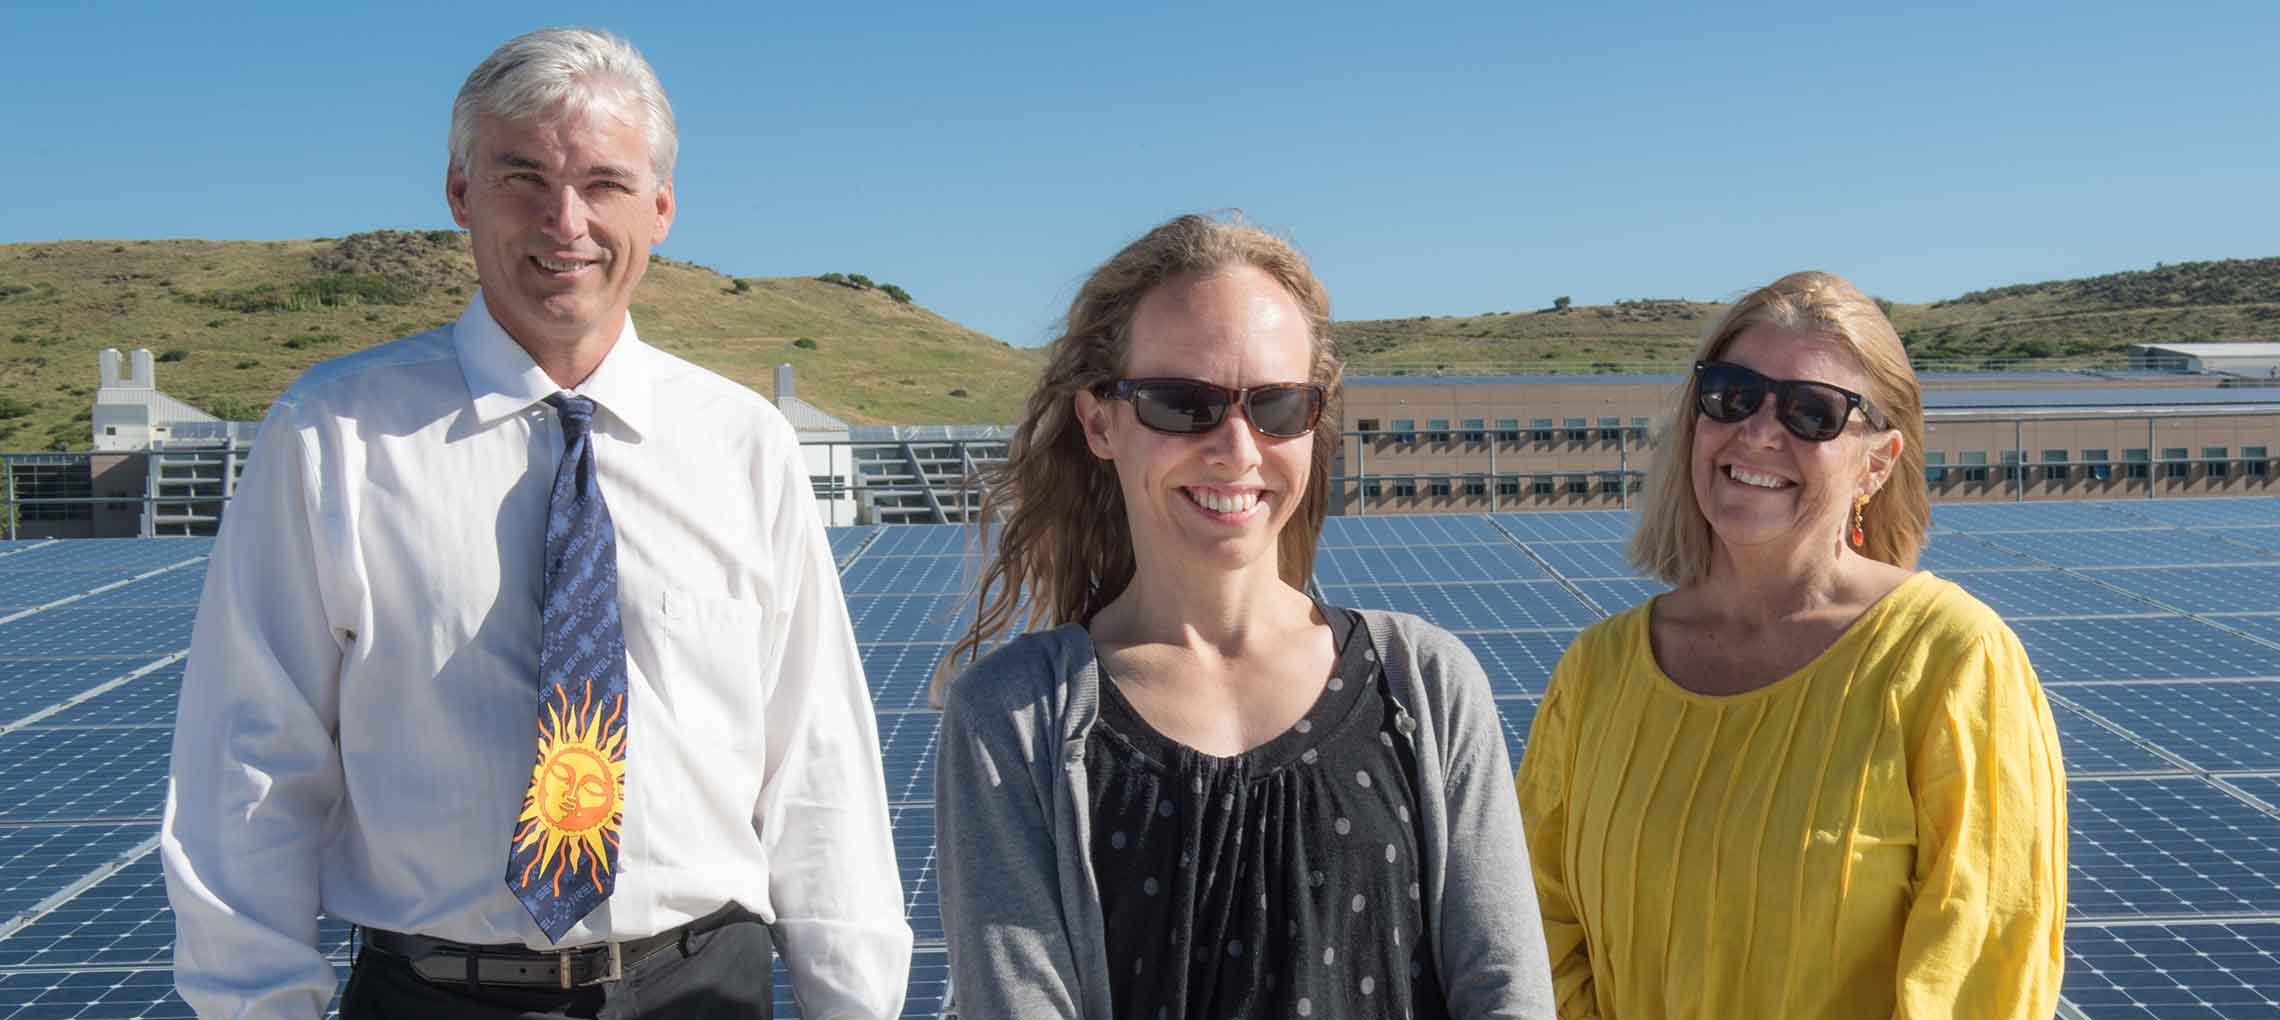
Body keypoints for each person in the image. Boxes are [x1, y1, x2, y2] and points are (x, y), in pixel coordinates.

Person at [161, 28, 910, 1019]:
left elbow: (819, 768)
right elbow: (247, 764)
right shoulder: (335, 434)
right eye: (523, 178)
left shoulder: (745, 447)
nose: (567, 221)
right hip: (430, 996)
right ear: (460, 196)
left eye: (604, 183)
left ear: (661, 208)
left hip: (704, 995)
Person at [932, 213, 1557, 1019]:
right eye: (1181, 403)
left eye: (1278, 405)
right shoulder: (1015, 722)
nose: (1237, 447)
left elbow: (1505, 990)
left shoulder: (1426, 685)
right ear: (1099, 422)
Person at [1515, 271, 2067, 1018]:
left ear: (1877, 461)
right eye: (1732, 394)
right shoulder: (1601, 669)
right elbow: (1531, 930)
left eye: (1813, 412)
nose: (1758, 433)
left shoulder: (1951, 660)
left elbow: (1981, 972)